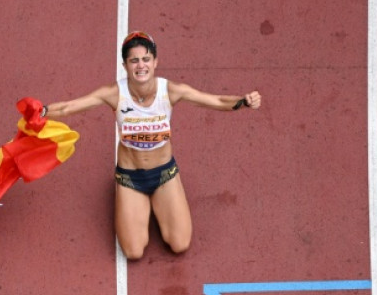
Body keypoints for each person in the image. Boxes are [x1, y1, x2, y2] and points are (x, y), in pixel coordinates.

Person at [42, 31, 262, 260]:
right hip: (130, 176)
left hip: (164, 174)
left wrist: (243, 102)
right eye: (134, 60)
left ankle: (161, 199)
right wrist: (43, 112)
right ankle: (128, 196)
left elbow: (216, 100)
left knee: (179, 244)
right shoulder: (114, 93)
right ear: (125, 65)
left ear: (155, 62)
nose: (141, 66)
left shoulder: (171, 91)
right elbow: (68, 107)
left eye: (146, 59)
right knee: (134, 252)